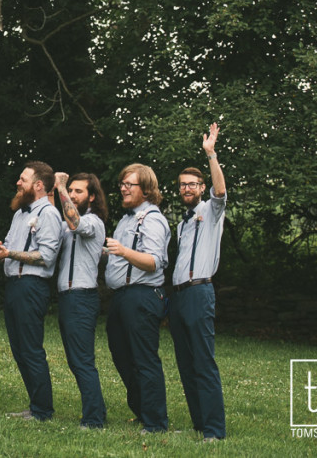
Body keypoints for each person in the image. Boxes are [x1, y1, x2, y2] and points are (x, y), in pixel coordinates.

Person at [0, 161, 64, 421]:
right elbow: (10, 247)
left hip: (32, 287)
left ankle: (42, 411)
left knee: (30, 349)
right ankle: (35, 405)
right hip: (14, 286)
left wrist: (11, 253)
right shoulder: (19, 213)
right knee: (19, 349)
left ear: (38, 185)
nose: (18, 183)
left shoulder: (49, 214)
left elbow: (47, 256)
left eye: (23, 179)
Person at [170, 123, 227, 442]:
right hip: (178, 297)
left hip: (200, 292)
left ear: (201, 188)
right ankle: (199, 424)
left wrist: (211, 154)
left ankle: (215, 430)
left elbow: (221, 190)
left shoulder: (212, 211)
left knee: (203, 362)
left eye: (192, 184)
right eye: (182, 185)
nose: (187, 189)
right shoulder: (183, 223)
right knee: (186, 362)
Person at [104, 163, 171, 434]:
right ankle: (144, 411)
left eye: (129, 184)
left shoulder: (152, 219)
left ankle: (155, 423)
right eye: (122, 183)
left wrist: (122, 251)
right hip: (121, 298)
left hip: (142, 297)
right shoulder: (128, 219)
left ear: (146, 189)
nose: (123, 188)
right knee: (122, 356)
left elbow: (154, 261)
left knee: (144, 359)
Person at [53, 171, 108, 428]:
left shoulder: (94, 221)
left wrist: (60, 186)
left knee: (83, 360)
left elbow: (75, 222)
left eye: (79, 192)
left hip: (82, 296)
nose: (73, 195)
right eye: (70, 191)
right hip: (67, 297)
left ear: (92, 197)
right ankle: (93, 413)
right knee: (76, 360)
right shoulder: (67, 223)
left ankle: (95, 418)